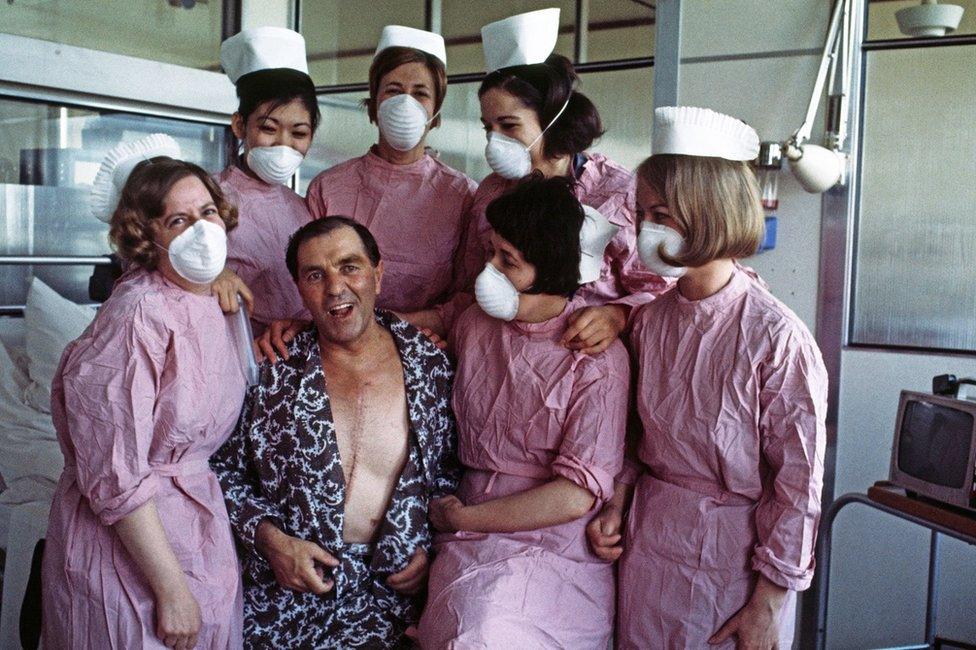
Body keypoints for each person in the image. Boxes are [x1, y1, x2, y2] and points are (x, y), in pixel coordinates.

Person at [586, 106, 829, 649]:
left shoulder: (776, 340)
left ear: (708, 211)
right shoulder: (649, 322)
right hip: (650, 548)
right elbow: (633, 439)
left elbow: (798, 487)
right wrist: (617, 503)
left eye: (663, 215)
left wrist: (769, 602)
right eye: (644, 214)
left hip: (734, 566)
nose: (647, 230)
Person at [211, 217, 459, 648]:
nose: (335, 288)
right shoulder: (270, 370)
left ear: (378, 274)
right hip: (285, 596)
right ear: (299, 288)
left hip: (390, 600)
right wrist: (272, 543)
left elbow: (448, 473)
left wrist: (429, 552)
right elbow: (217, 470)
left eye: (350, 266)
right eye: (315, 275)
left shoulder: (430, 366)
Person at [43, 136, 249, 649]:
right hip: (131, 543)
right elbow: (114, 468)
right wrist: (171, 586)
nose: (202, 232)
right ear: (146, 236)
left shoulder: (211, 298)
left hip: (196, 524)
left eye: (208, 212)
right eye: (178, 222)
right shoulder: (136, 314)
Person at [417, 177, 627, 648]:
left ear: (548, 267)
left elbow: (575, 496)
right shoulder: (475, 324)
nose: (488, 269)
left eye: (506, 261)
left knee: (486, 633)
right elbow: (430, 322)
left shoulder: (596, 358)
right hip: (465, 533)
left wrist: (465, 520)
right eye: (489, 253)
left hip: (555, 546)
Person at [433, 8, 668, 352]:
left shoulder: (616, 194)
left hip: (588, 369)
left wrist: (618, 315)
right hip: (498, 359)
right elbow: (470, 287)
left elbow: (662, 291)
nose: (494, 141)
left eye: (509, 126)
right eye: (489, 128)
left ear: (551, 121)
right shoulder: (490, 194)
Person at [305, 26, 477, 319]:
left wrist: (407, 327)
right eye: (394, 91)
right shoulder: (328, 188)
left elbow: (469, 292)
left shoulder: (462, 195)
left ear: (435, 116)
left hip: (430, 344)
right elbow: (308, 277)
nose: (405, 103)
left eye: (420, 93)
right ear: (373, 105)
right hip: (340, 343)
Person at [211, 26, 321, 335]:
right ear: (239, 125)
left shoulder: (304, 210)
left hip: (293, 356)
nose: (283, 144)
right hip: (226, 352)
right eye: (269, 128)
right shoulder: (205, 195)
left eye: (298, 133)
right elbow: (148, 261)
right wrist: (211, 275)